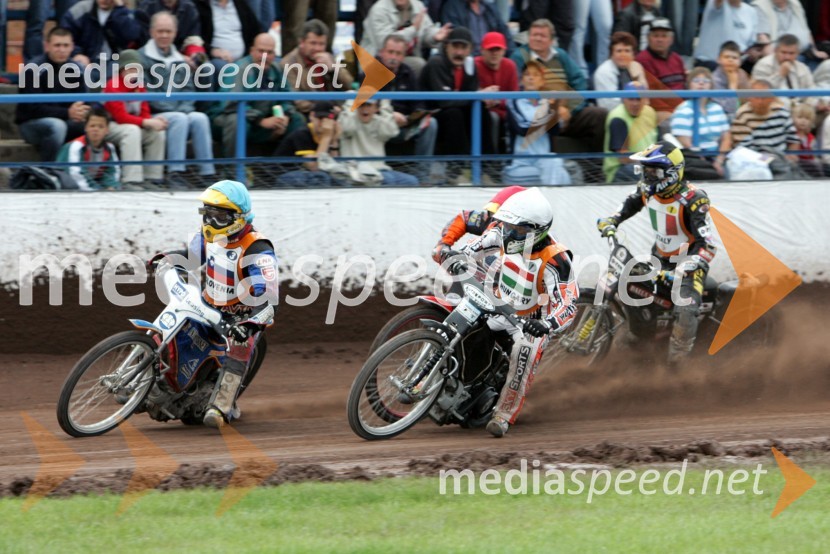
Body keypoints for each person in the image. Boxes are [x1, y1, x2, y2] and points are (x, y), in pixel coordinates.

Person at [450, 188, 578, 437]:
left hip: (528, 323)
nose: (508, 231)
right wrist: (458, 256)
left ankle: (503, 415)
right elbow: (473, 247)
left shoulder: (556, 260)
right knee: (460, 317)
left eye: (516, 229)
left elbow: (570, 303)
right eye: (507, 225)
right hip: (497, 303)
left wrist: (548, 324)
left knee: (525, 351)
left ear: (534, 229)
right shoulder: (499, 230)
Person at [597, 141, 718, 364]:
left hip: (690, 267)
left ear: (671, 173)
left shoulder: (693, 199)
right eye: (646, 170)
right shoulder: (648, 190)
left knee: (685, 307)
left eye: (653, 171)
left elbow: (708, 245)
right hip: (659, 259)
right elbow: (630, 204)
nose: (648, 176)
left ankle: (678, 361)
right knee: (634, 288)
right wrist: (612, 221)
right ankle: (639, 336)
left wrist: (686, 267)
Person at [173, 180, 278, 428]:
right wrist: (167, 258)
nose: (210, 223)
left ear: (238, 217)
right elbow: (190, 258)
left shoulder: (258, 248)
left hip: (239, 318)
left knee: (241, 346)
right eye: (207, 215)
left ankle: (221, 406)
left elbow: (269, 299)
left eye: (218, 217)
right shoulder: (208, 237)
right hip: (208, 306)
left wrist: (251, 323)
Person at [139, 11, 216, 186]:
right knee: (180, 119)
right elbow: (146, 94)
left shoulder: (181, 60)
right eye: (160, 31)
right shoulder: (141, 58)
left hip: (179, 112)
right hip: (153, 113)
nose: (164, 35)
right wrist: (175, 110)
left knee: (199, 118)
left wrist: (184, 109)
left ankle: (207, 174)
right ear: (152, 32)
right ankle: (176, 172)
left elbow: (188, 90)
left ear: (175, 33)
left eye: (168, 31)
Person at [210, 33, 305, 159]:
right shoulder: (239, 69)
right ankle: (232, 170)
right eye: (261, 51)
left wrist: (283, 117)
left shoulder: (277, 68)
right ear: (252, 51)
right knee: (236, 121)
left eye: (270, 52)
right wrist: (261, 120)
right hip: (228, 120)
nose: (265, 56)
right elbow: (231, 104)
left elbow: (287, 96)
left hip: (262, 120)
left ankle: (284, 167)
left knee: (297, 119)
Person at [16, 27, 89, 162]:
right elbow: (32, 109)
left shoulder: (76, 69)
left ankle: (85, 172)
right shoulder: (32, 69)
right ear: (47, 46)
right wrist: (68, 113)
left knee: (92, 124)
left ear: (72, 47)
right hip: (31, 125)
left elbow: (84, 100)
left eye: (66, 45)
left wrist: (82, 111)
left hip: (65, 120)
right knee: (57, 126)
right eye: (57, 45)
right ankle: (49, 171)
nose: (61, 50)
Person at [103, 49, 168, 187]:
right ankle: (131, 180)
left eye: (136, 68)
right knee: (132, 131)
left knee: (157, 133)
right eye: (129, 68)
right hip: (109, 125)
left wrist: (153, 123)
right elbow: (120, 117)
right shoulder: (112, 85)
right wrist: (146, 121)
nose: (133, 72)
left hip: (131, 124)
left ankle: (152, 177)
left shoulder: (139, 86)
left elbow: (144, 111)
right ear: (121, 69)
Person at [503, 61, 571, 185]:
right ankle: (552, 202)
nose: (531, 78)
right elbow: (523, 129)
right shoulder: (512, 101)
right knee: (559, 171)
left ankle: (551, 202)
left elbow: (555, 130)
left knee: (559, 167)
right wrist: (550, 112)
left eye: (536, 75)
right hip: (520, 166)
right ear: (521, 81)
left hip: (544, 162)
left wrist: (554, 108)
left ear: (543, 81)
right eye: (527, 74)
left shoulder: (548, 102)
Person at [279, 19, 355, 118]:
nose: (317, 49)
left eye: (321, 44)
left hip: (336, 108)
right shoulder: (288, 63)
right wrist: (324, 109)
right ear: (301, 42)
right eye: (313, 43)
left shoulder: (328, 57)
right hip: (310, 113)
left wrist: (333, 68)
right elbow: (296, 99)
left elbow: (350, 85)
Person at [432, 185, 527, 264]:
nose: (495, 219)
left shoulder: (535, 235)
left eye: (501, 215)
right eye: (494, 214)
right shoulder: (491, 220)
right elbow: (464, 218)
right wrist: (444, 243)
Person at [337, 99, 420, 186]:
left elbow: (391, 132)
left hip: (380, 169)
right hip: (354, 171)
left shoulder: (379, 122)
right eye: (361, 105)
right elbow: (348, 128)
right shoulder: (347, 120)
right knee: (388, 179)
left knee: (412, 181)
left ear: (376, 109)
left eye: (369, 105)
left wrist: (385, 102)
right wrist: (351, 99)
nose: (365, 109)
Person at [360, 0, 452, 74]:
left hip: (404, 57)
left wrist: (435, 36)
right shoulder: (379, 10)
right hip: (377, 59)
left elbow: (426, 30)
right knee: (418, 64)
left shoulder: (417, 6)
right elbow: (386, 43)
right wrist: (413, 29)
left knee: (433, 63)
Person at [60, 0, 144, 78]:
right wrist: (77, 54)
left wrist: (119, 10)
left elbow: (132, 35)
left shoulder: (123, 12)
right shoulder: (81, 10)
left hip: (115, 60)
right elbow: (65, 35)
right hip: (87, 59)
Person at [603, 82, 658, 183]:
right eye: (631, 99)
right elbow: (623, 158)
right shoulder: (618, 118)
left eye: (638, 99)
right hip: (620, 169)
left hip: (647, 163)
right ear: (623, 99)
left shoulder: (650, 112)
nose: (635, 103)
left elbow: (657, 144)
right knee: (646, 174)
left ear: (645, 100)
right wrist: (650, 164)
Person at [475, 32, 519, 153]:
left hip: (505, 111)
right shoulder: (475, 65)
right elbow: (473, 94)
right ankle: (491, 162)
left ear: (504, 51)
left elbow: (515, 97)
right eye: (490, 49)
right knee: (491, 118)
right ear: (482, 50)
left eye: (498, 49)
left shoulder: (510, 65)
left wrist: (497, 101)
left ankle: (517, 159)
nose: (494, 53)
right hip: (484, 112)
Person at [56, 108, 121, 190]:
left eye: (101, 127)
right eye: (92, 126)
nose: (96, 129)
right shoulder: (76, 146)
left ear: (107, 130)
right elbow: (76, 175)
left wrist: (111, 187)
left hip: (93, 184)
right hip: (67, 185)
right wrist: (98, 191)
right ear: (85, 128)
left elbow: (112, 172)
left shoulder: (109, 148)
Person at [693, 0, 769, 69]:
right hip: (710, 63)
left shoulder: (751, 11)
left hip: (738, 64)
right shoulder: (714, 3)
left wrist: (753, 52)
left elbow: (751, 43)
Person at [635, 18, 685, 119]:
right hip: (660, 111)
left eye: (664, 36)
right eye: (656, 36)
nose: (660, 39)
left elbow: (685, 84)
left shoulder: (677, 58)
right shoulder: (643, 59)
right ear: (648, 38)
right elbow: (653, 97)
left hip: (683, 107)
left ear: (671, 39)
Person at [751, 34, 818, 109]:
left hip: (801, 112)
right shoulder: (763, 65)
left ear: (797, 53)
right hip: (773, 109)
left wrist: (807, 107)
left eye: (791, 53)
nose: (787, 57)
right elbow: (761, 92)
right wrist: (780, 75)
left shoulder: (802, 68)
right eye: (783, 52)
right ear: (775, 51)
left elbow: (812, 92)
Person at [592, 31, 648, 112]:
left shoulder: (635, 67)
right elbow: (609, 106)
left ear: (633, 54)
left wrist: (639, 77)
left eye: (627, 51)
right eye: (619, 51)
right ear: (611, 54)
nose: (623, 55)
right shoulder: (604, 71)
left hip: (633, 112)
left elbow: (646, 100)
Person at [440, 0, 512, 56]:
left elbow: (505, 34)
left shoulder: (490, 7)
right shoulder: (452, 7)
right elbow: (456, 40)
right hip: (467, 59)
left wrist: (512, 55)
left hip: (491, 56)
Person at [711, 41, 751, 119]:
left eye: (734, 58)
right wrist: (733, 85)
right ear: (718, 59)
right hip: (722, 117)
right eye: (726, 57)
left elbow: (748, 101)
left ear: (740, 62)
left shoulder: (742, 74)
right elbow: (729, 109)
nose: (730, 60)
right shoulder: (714, 79)